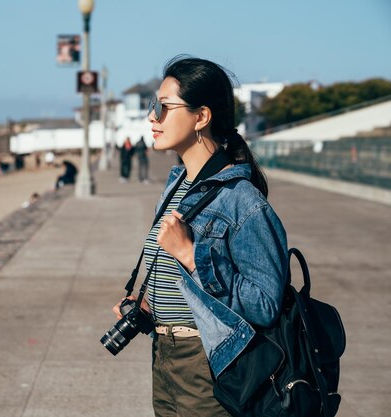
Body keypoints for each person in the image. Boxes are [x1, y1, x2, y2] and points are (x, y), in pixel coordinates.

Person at [111, 56, 288, 417]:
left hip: (209, 361)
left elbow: (266, 304)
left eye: (163, 107)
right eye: (151, 106)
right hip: (164, 354)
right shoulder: (177, 183)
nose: (152, 117)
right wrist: (148, 302)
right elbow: (176, 272)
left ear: (201, 117)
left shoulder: (242, 199)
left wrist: (192, 256)